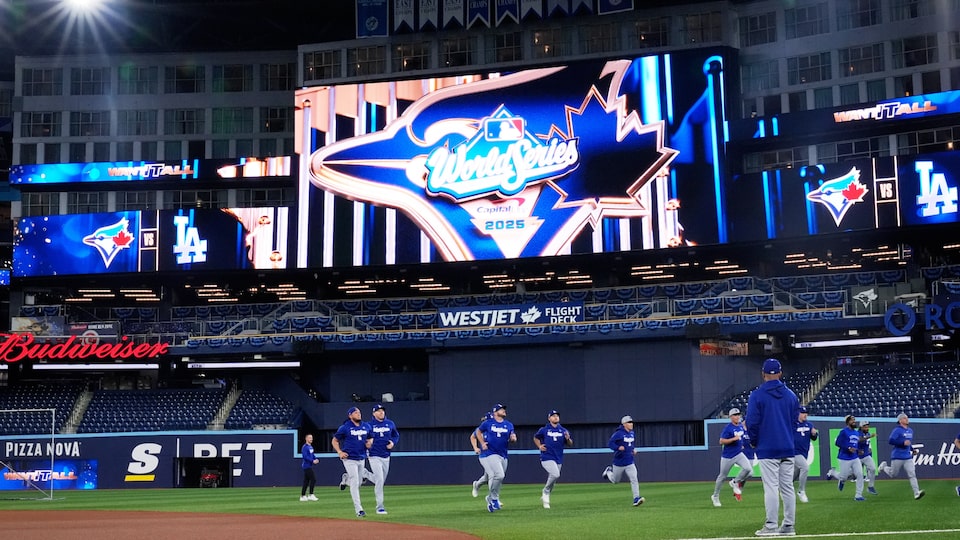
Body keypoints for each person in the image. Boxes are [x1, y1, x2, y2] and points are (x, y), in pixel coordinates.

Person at [745, 358, 800, 537]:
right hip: (787, 447)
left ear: (763, 374)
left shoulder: (757, 395)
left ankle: (771, 526)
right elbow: (795, 422)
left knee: (771, 488)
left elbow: (751, 422)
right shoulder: (791, 395)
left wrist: (754, 441)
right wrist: (788, 439)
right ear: (780, 373)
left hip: (767, 448)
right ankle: (789, 526)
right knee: (787, 488)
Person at [332, 406, 373, 517]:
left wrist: (370, 442)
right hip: (349, 458)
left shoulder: (366, 426)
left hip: (361, 457)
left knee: (358, 483)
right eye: (355, 413)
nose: (358, 414)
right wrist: (339, 452)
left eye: (359, 412)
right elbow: (334, 440)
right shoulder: (345, 427)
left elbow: (370, 437)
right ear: (350, 415)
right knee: (355, 482)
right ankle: (359, 510)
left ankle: (346, 480)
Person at [475, 403, 516, 512]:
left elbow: (512, 436)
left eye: (503, 409)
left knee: (499, 478)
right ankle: (494, 498)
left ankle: (491, 498)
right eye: (501, 409)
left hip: (503, 454)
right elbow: (478, 432)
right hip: (491, 453)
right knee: (500, 475)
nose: (504, 411)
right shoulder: (488, 423)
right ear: (495, 412)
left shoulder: (508, 424)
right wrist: (482, 443)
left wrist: (513, 438)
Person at [360, 403, 399, 515]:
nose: (381, 412)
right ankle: (380, 507)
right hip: (374, 455)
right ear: (374, 413)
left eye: (382, 410)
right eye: (378, 411)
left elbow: (396, 435)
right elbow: (362, 438)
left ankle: (365, 474)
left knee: (380, 481)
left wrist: (393, 442)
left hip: (386, 455)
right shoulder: (369, 425)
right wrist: (366, 443)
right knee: (380, 480)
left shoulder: (390, 423)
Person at [711, 407, 753, 507]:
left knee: (748, 469)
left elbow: (741, 438)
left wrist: (741, 444)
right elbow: (721, 441)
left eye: (738, 415)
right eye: (735, 415)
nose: (737, 416)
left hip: (738, 453)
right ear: (730, 417)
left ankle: (735, 482)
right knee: (722, 476)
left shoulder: (740, 426)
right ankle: (715, 496)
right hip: (728, 456)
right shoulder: (728, 428)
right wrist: (733, 439)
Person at [878, 413, 925, 500]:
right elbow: (891, 440)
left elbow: (908, 443)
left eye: (907, 418)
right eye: (904, 418)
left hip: (907, 456)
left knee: (912, 474)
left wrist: (912, 450)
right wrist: (902, 443)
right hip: (897, 456)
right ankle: (884, 467)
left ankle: (916, 493)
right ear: (900, 421)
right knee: (893, 474)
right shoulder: (897, 430)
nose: (907, 419)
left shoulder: (910, 430)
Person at [601, 415, 644, 507]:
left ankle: (636, 498)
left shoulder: (632, 433)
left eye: (631, 422)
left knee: (634, 479)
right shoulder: (619, 433)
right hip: (619, 462)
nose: (631, 424)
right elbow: (610, 443)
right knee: (615, 480)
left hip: (629, 461)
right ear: (624, 424)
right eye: (629, 422)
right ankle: (608, 471)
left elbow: (630, 444)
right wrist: (617, 447)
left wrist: (633, 449)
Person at [533, 409, 572, 509]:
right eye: (553, 416)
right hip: (547, 456)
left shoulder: (563, 430)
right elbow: (536, 437)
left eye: (557, 416)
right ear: (549, 418)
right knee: (555, 474)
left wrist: (568, 439)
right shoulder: (544, 429)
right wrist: (539, 446)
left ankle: (546, 494)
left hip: (558, 457)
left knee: (554, 479)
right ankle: (545, 492)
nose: (556, 417)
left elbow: (570, 444)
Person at [826, 414, 865, 501]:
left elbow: (855, 444)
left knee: (860, 474)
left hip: (854, 457)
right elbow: (837, 443)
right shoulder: (844, 432)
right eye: (852, 420)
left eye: (854, 420)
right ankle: (832, 472)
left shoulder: (856, 433)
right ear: (847, 422)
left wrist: (858, 451)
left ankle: (858, 495)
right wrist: (848, 448)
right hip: (844, 457)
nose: (854, 421)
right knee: (843, 477)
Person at [792, 406, 818, 503]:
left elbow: (814, 438)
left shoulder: (809, 424)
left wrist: (814, 434)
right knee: (805, 468)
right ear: (798, 413)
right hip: (794, 451)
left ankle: (784, 487)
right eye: (803, 413)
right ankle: (801, 491)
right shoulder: (792, 424)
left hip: (804, 452)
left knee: (796, 473)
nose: (805, 415)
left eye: (806, 413)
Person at [857, 420, 878, 495]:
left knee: (873, 469)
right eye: (865, 427)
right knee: (850, 474)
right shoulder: (858, 433)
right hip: (857, 457)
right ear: (861, 427)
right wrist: (869, 436)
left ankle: (870, 487)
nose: (867, 428)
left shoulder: (867, 433)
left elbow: (866, 443)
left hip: (865, 455)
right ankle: (833, 473)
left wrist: (869, 449)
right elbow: (859, 439)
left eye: (867, 426)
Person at [299, 433, 319, 501]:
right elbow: (305, 456)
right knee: (313, 479)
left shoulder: (311, 447)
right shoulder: (305, 447)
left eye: (312, 438)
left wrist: (316, 459)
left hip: (309, 465)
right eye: (310, 438)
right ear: (306, 439)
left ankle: (303, 496)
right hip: (306, 466)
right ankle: (311, 494)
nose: (311, 439)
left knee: (306, 481)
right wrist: (312, 461)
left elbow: (312, 455)